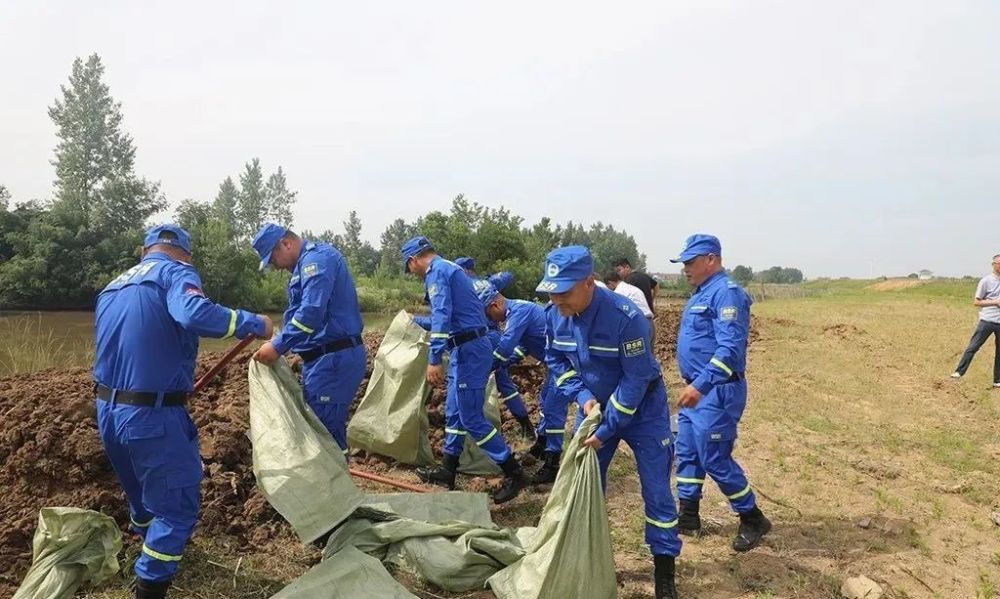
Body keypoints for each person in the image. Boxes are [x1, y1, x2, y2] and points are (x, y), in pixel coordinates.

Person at [94, 224, 272, 599]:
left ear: (144, 252)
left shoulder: (112, 287)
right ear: (187, 255)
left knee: (141, 497)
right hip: (152, 415)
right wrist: (253, 323)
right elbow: (193, 313)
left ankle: (149, 551)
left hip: (108, 409)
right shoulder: (176, 273)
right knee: (177, 507)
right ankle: (150, 586)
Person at [538, 245, 680, 599]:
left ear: (589, 282)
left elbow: (634, 381)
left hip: (643, 411)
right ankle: (588, 560)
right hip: (595, 411)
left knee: (657, 491)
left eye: (565, 291)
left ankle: (664, 572)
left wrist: (607, 427)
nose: (558, 299)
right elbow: (556, 360)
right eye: (552, 291)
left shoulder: (625, 316)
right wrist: (583, 397)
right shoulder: (554, 314)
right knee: (583, 484)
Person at [402, 236, 526, 503]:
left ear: (414, 260)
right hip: (463, 347)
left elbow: (442, 315)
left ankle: (513, 472)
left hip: (470, 349)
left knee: (470, 417)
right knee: (455, 411)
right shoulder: (449, 268)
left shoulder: (436, 273)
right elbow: (444, 316)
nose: (411, 273)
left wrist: (434, 358)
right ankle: (448, 468)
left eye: (409, 267)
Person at [671, 233, 771, 552]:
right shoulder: (702, 293)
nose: (685, 268)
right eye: (683, 263)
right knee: (686, 451)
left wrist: (700, 387)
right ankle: (688, 516)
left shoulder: (726, 294)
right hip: (697, 389)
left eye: (690, 262)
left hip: (716, 390)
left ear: (711, 259)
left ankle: (753, 518)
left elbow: (729, 350)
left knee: (714, 456)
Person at [250, 224, 367, 455]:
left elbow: (311, 313)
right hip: (324, 359)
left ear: (286, 243)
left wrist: (278, 345)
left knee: (324, 432)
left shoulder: (317, 261)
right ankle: (333, 485)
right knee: (322, 428)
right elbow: (302, 315)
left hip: (333, 360)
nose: (274, 266)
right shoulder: (304, 265)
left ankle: (335, 488)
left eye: (273, 259)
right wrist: (294, 348)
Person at [475, 281, 567, 484]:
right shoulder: (517, 312)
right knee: (545, 400)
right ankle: (542, 443)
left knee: (553, 408)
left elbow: (507, 344)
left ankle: (552, 464)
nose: (493, 321)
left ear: (495, 305)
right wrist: (506, 362)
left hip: (564, 362)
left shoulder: (519, 311)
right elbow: (522, 347)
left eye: (489, 316)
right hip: (555, 362)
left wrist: (489, 367)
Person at [951, 254, 1000, 388]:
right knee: (973, 347)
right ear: (993, 265)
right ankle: (959, 372)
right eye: (999, 263)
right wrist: (995, 302)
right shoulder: (986, 281)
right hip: (987, 320)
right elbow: (976, 302)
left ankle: (997, 380)